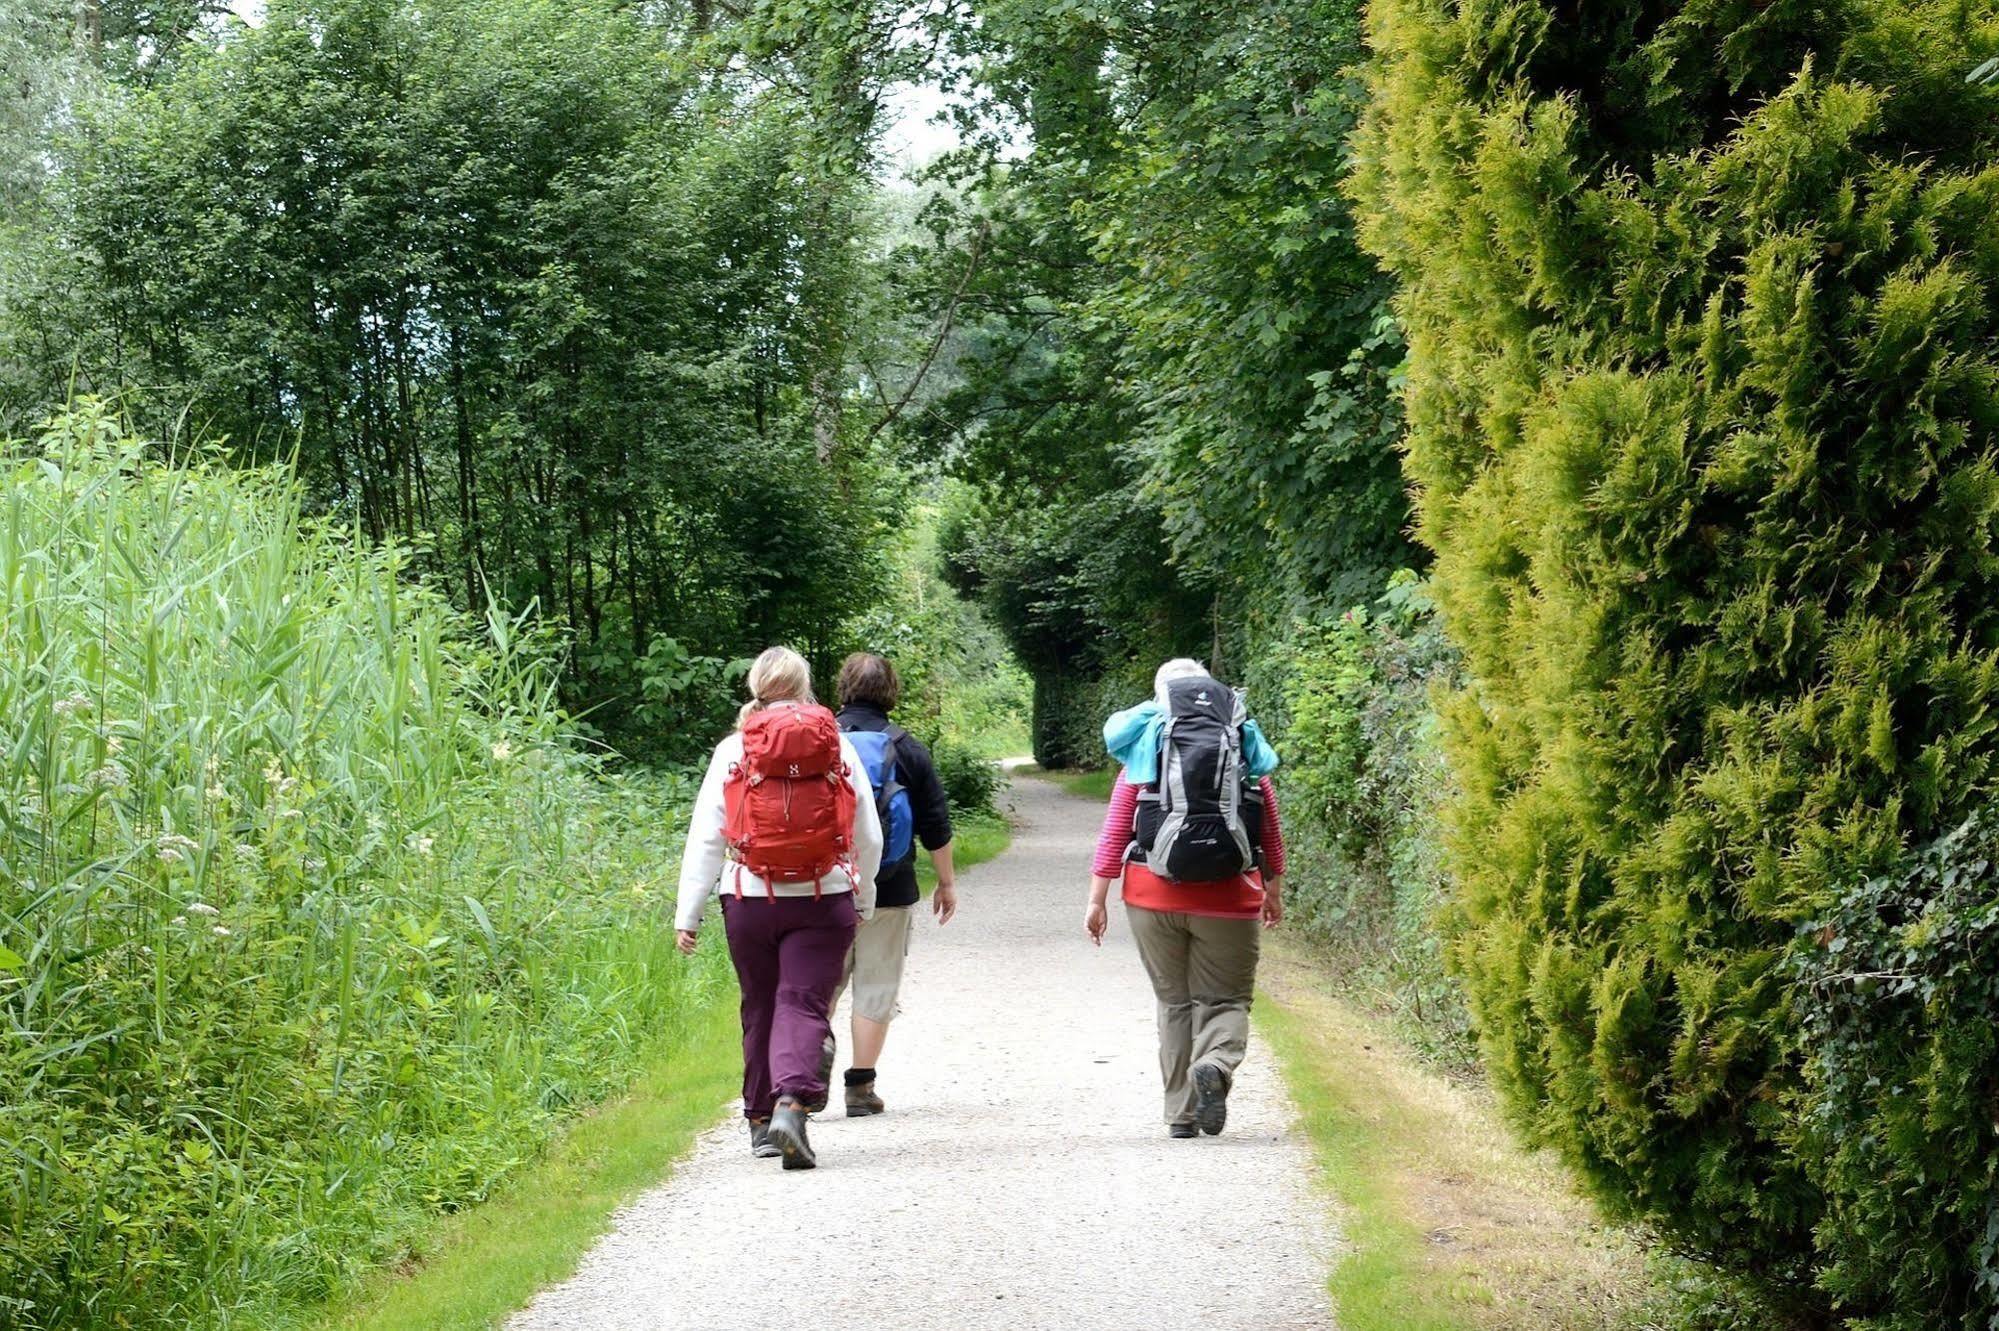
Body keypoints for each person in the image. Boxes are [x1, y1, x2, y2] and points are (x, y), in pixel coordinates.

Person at [676, 646, 883, 1170]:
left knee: (761, 1003)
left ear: (756, 687)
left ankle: (760, 1121)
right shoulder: (836, 744)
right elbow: (868, 833)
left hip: (749, 898)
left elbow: (706, 838)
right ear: (805, 687)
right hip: (823, 895)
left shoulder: (733, 749)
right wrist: (864, 893)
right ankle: (792, 1104)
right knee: (803, 1002)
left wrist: (689, 914)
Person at [1084, 658, 1286, 1138]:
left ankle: (1181, 1114)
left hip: (1151, 894)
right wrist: (1273, 886)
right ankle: (1215, 1063)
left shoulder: (1144, 747)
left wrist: (1097, 898)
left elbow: (1115, 831)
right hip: (1230, 896)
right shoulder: (1241, 743)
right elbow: (1269, 824)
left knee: (1174, 1002)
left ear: (1159, 700)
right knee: (1226, 998)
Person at [830, 652, 958, 1116]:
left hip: (826, 887)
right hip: (891, 885)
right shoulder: (906, 747)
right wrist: (945, 883)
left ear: (843, 688)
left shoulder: (819, 740)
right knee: (876, 985)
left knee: (820, 983)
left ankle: (807, 1069)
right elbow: (935, 823)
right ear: (891, 691)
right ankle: (860, 1089)